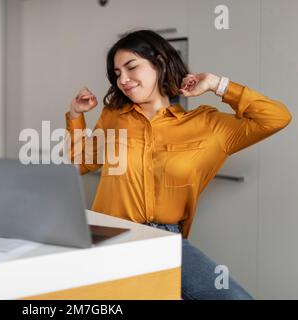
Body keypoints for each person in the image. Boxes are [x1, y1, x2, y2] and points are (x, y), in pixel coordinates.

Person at [65, 30, 292, 300]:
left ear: (159, 62)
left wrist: (217, 84)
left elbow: (276, 118)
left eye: (131, 67)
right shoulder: (115, 116)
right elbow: (79, 163)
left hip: (165, 241)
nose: (123, 80)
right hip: (111, 236)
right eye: (117, 73)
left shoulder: (208, 125)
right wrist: (75, 115)